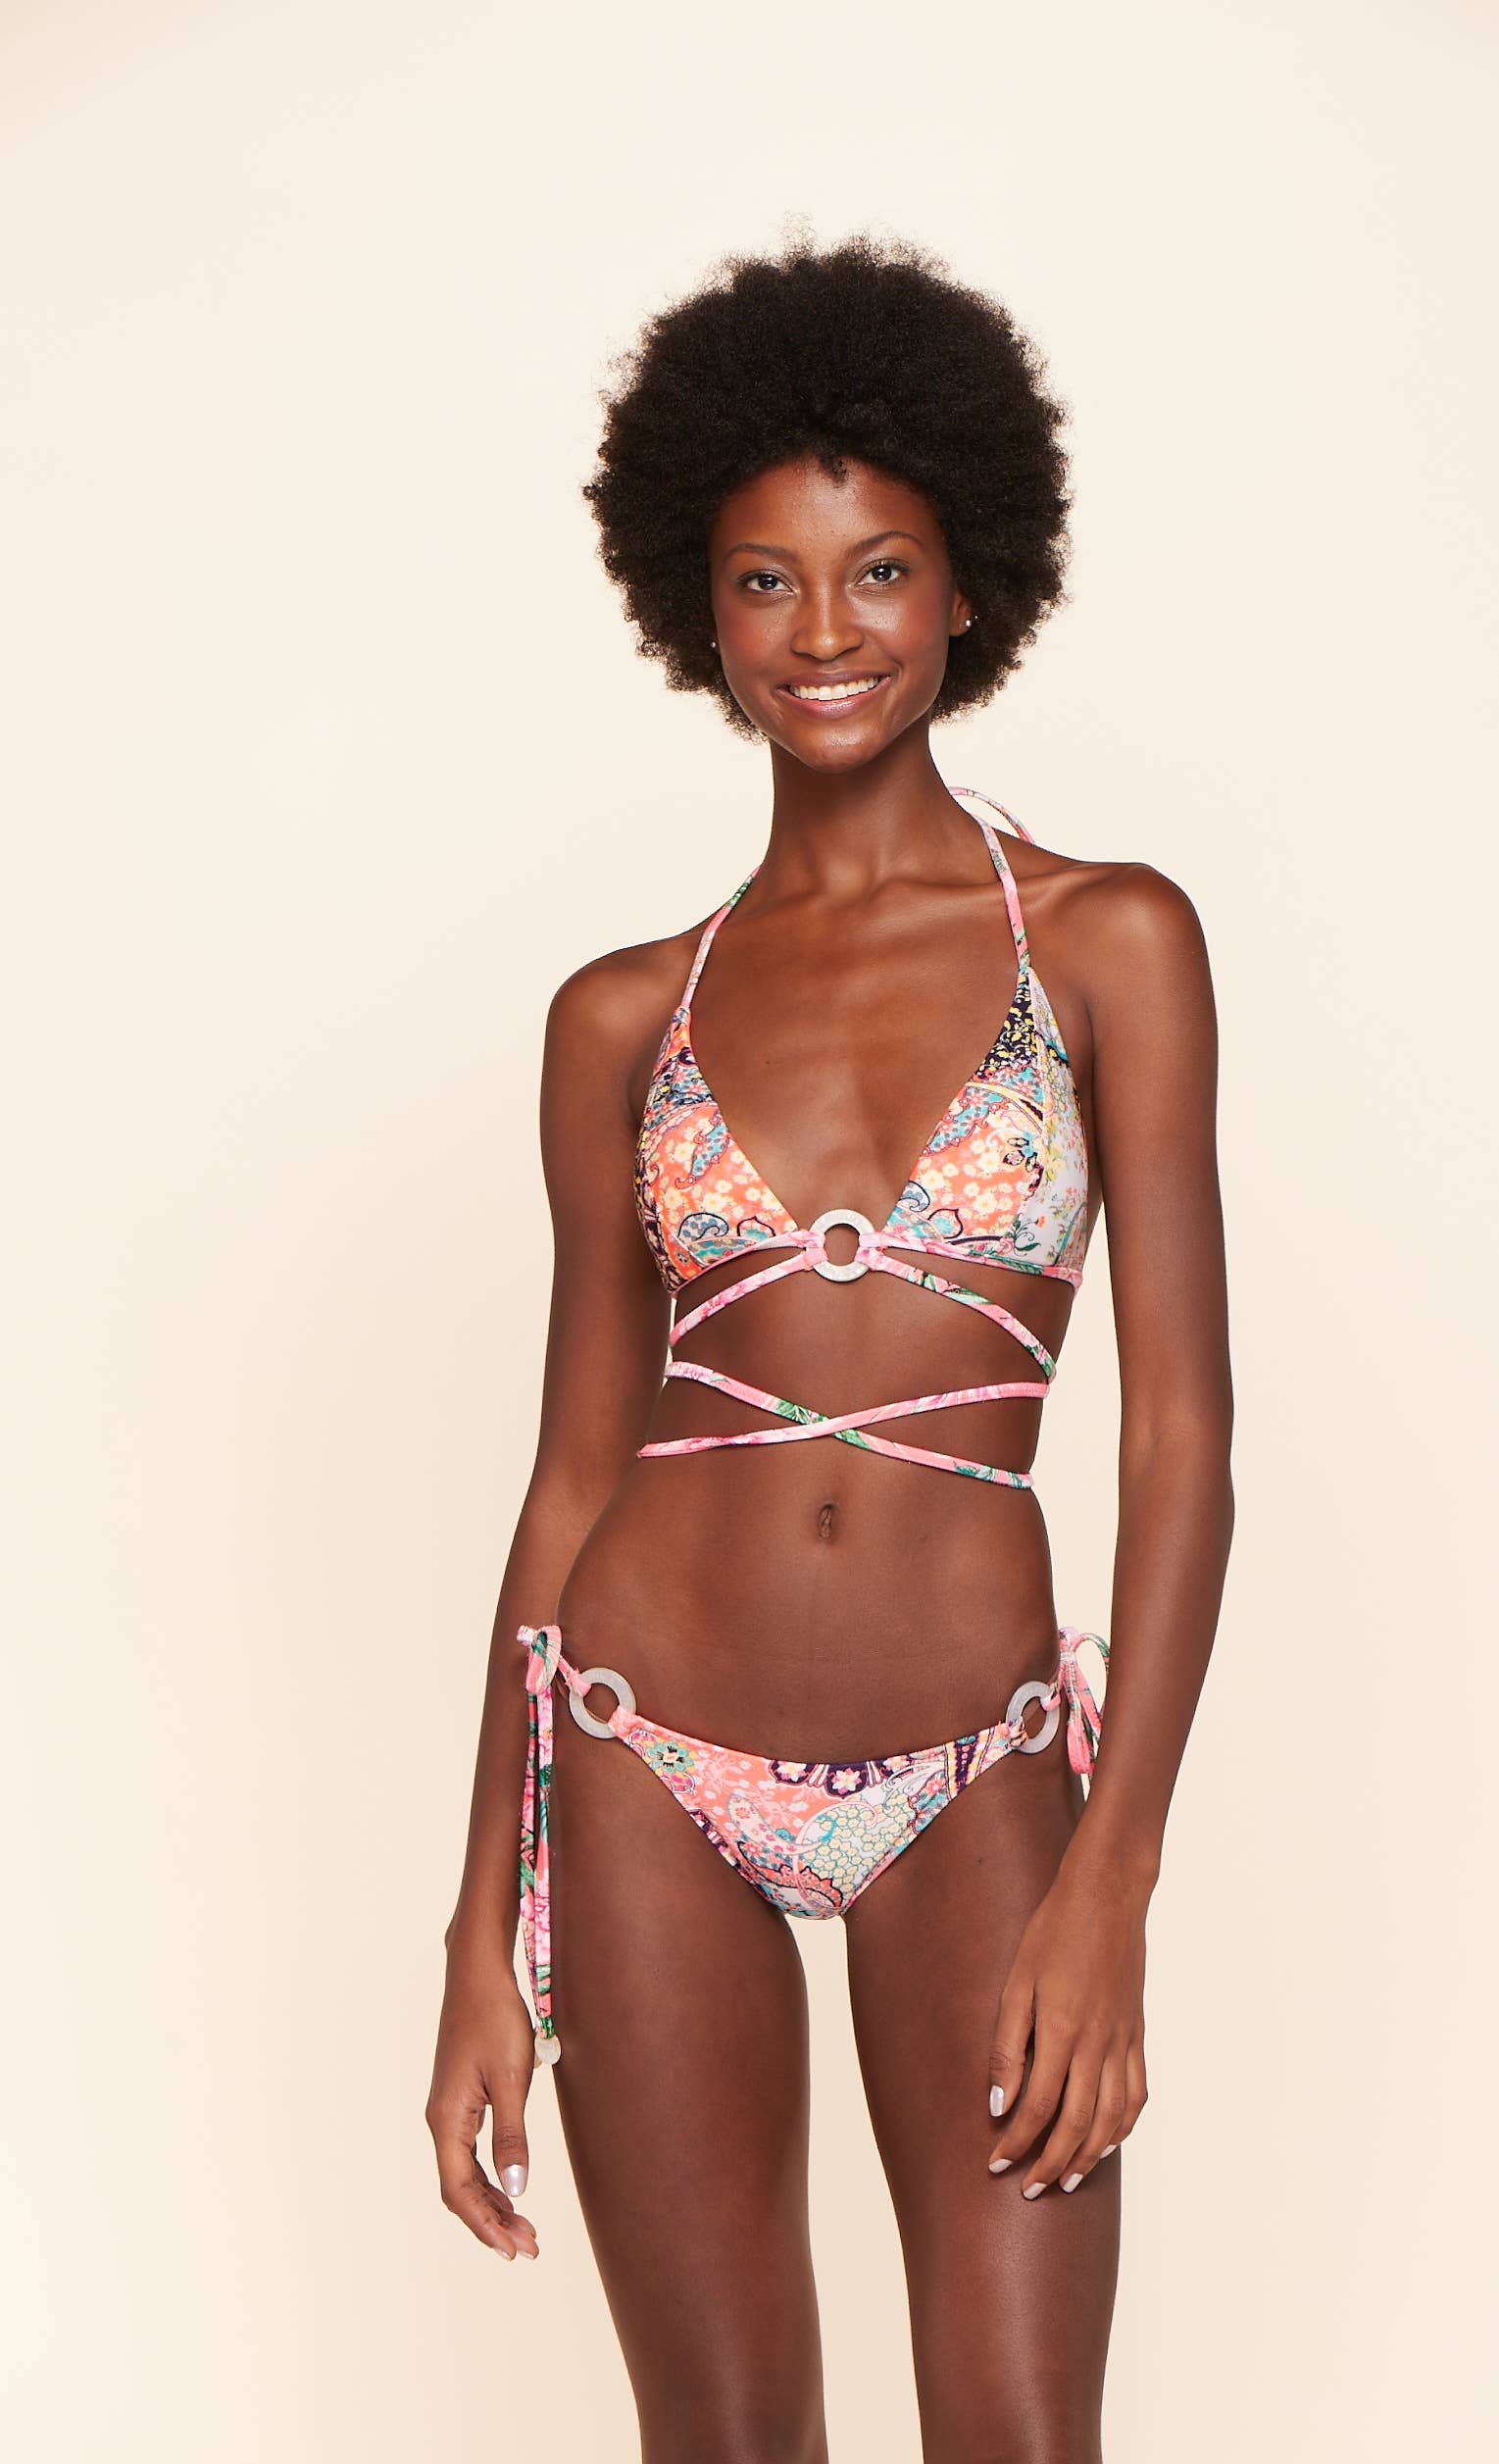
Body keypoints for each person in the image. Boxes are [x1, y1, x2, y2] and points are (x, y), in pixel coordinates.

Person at [426, 232, 1234, 2462]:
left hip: (977, 1764)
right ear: (698, 617)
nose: (823, 633)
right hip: (639, 1749)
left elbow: (1182, 1440)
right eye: (764, 583)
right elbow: (570, 1477)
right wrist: (481, 1930)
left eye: (876, 572)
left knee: (1017, 2436)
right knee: (724, 2445)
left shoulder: (1110, 942)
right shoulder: (623, 1016)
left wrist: (1115, 1873)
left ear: (967, 587)